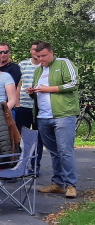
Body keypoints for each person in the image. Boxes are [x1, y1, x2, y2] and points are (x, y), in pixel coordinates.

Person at [28, 42, 80, 198]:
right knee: (54, 152)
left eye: (44, 56)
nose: (41, 59)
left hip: (63, 114)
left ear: (51, 53)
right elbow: (38, 93)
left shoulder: (63, 63)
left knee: (65, 151)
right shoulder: (38, 70)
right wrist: (32, 92)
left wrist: (47, 89)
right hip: (43, 116)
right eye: (38, 56)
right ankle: (57, 183)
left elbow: (73, 83)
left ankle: (71, 185)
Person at [17, 41, 44, 172]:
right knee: (21, 138)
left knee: (38, 138)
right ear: (30, 50)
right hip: (23, 105)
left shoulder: (45, 65)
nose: (36, 52)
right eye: (34, 49)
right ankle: (20, 165)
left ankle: (35, 165)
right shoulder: (23, 64)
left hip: (40, 107)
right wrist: (17, 103)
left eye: (38, 49)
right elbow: (18, 84)